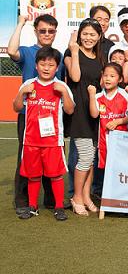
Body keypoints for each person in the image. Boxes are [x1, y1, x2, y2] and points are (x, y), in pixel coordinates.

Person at [7, 14, 64, 216]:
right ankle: (22, 201)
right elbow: (11, 50)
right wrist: (21, 23)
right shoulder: (28, 52)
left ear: (55, 32)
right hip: (29, 115)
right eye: (42, 30)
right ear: (36, 31)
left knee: (51, 156)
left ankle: (51, 200)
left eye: (51, 31)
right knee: (26, 157)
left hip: (51, 116)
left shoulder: (59, 55)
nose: (47, 34)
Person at [13, 47, 75, 221]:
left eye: (51, 64)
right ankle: (33, 207)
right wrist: (21, 94)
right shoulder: (28, 85)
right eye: (43, 64)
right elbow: (17, 108)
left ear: (57, 67)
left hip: (53, 141)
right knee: (33, 175)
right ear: (36, 65)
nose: (46, 68)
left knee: (55, 175)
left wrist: (63, 93)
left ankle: (59, 207)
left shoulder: (61, 86)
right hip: (31, 140)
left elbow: (70, 110)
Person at [63, 19, 104, 216]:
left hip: (94, 110)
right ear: (79, 34)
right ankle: (77, 197)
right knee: (86, 155)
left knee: (92, 157)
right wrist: (74, 49)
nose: (88, 38)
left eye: (92, 35)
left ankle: (86, 195)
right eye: (85, 34)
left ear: (99, 37)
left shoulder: (99, 56)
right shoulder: (71, 53)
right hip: (79, 110)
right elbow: (76, 77)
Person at [88, 63, 128, 197]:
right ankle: (108, 198)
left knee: (121, 169)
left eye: (112, 76)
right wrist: (92, 95)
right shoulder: (98, 96)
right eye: (105, 76)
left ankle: (121, 197)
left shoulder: (124, 95)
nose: (108, 79)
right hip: (103, 142)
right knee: (106, 171)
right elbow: (94, 114)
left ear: (120, 79)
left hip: (122, 142)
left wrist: (118, 121)